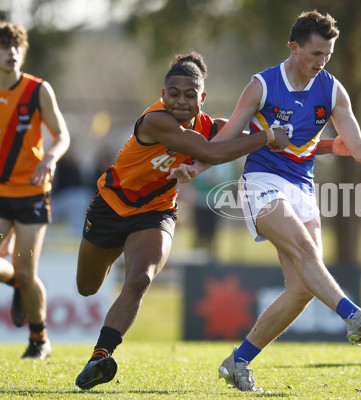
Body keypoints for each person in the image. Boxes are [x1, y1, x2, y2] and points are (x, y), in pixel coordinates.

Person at [172, 10, 361, 392]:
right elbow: (227, 139)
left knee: (301, 289)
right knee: (304, 248)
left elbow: (359, 149)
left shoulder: (332, 90)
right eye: (316, 54)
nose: (321, 63)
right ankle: (354, 316)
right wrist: (195, 167)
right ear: (294, 47)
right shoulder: (261, 86)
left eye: (328, 55)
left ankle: (238, 362)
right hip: (261, 181)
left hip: (303, 187)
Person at [74, 51, 289, 390]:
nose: (181, 101)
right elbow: (214, 152)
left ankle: (100, 356)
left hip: (156, 213)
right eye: (173, 93)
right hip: (110, 208)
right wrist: (268, 137)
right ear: (162, 95)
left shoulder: (210, 126)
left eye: (190, 95)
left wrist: (322, 144)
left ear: (202, 98)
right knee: (87, 287)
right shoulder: (155, 120)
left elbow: (251, 137)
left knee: (140, 278)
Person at [0, 21, 71, 360]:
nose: (10, 52)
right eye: (3, 46)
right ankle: (16, 283)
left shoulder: (38, 90)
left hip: (31, 194)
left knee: (28, 272)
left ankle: (39, 339)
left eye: (15, 46)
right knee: (21, 276)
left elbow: (62, 135)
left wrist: (51, 159)